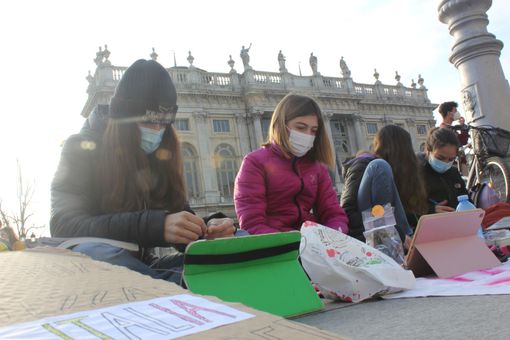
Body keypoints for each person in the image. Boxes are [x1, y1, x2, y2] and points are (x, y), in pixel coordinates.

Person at [51, 59, 235, 284]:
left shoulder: (159, 153)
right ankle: (174, 291)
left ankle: (169, 289)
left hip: (142, 267)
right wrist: (155, 226)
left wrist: (209, 228)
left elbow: (178, 217)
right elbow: (63, 224)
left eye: (164, 123)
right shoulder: (79, 147)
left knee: (231, 252)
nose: (157, 131)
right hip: (96, 262)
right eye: (148, 122)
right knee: (99, 254)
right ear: (123, 119)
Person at [234, 94, 348, 235]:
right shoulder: (255, 163)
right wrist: (294, 243)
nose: (308, 135)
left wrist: (334, 234)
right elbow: (252, 224)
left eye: (313, 131)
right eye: (300, 128)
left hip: (313, 241)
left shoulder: (317, 167)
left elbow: (333, 213)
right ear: (281, 125)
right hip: (277, 246)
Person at [341, 125, 427, 242]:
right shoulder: (366, 165)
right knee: (380, 166)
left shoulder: (396, 175)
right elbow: (347, 210)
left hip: (384, 230)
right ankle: (392, 236)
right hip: (366, 234)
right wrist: (398, 234)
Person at [421, 127, 468, 213]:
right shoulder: (417, 174)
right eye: (440, 158)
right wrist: (430, 210)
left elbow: (466, 199)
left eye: (451, 159)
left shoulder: (454, 173)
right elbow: (405, 210)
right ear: (429, 150)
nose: (445, 163)